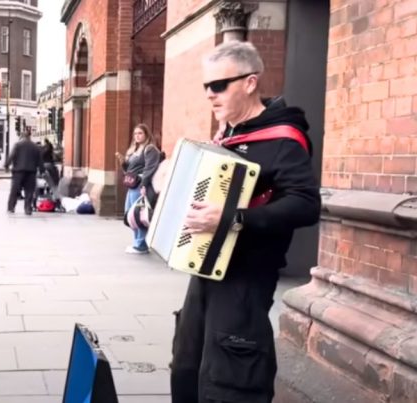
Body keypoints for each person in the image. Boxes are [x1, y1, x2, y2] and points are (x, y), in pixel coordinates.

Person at [169, 41, 321, 403]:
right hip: (206, 272)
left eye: (219, 85)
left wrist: (232, 219)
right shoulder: (228, 135)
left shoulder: (284, 140)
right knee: (187, 366)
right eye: (206, 86)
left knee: (231, 380)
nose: (210, 94)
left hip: (247, 279)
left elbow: (305, 205)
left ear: (250, 82)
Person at [116, 123, 161, 254]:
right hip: (132, 186)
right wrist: (123, 162)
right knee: (130, 215)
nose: (137, 136)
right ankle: (137, 241)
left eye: (140, 133)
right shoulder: (134, 150)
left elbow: (149, 168)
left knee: (139, 215)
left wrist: (143, 185)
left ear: (146, 134)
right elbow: (129, 170)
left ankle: (141, 244)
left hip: (140, 186)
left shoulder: (150, 149)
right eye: (135, 133)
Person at [5, 131, 43, 215]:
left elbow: (11, 155)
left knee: (14, 190)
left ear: (22, 136)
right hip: (31, 172)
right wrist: (42, 170)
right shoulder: (35, 147)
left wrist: (7, 165)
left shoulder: (17, 145)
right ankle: (27, 208)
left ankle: (11, 207)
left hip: (18, 171)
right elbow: (40, 160)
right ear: (30, 136)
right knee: (29, 191)